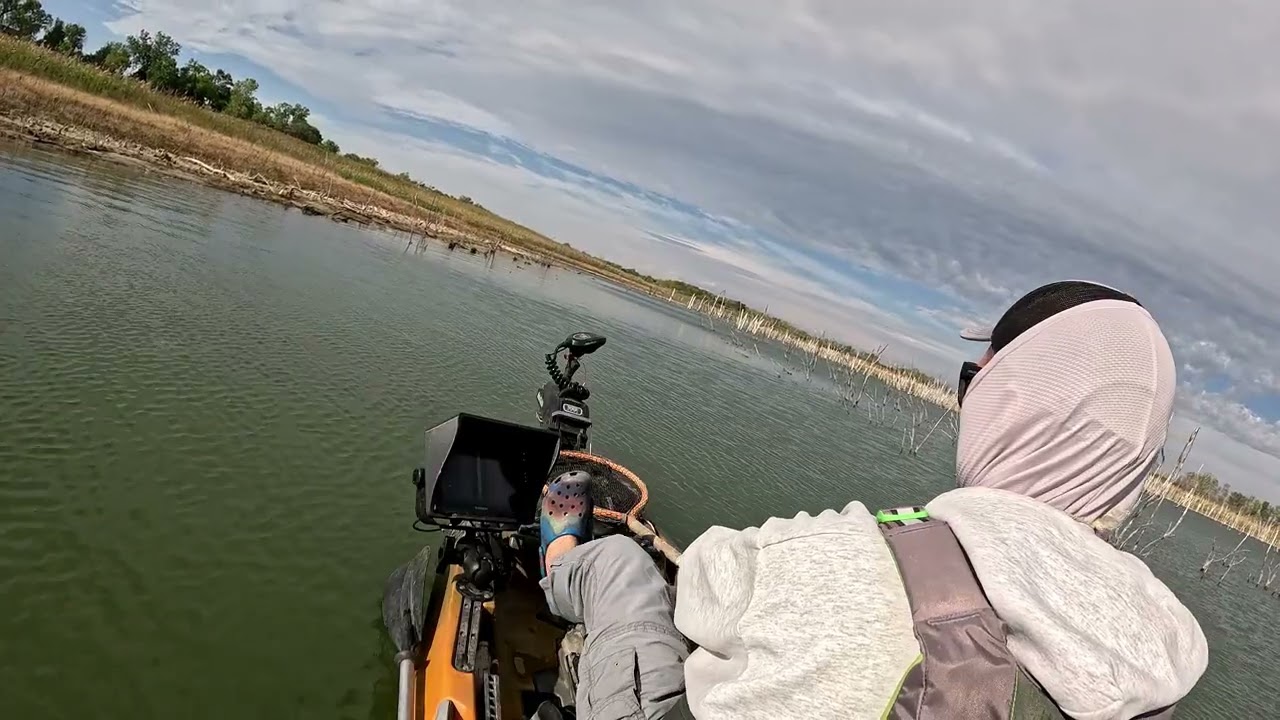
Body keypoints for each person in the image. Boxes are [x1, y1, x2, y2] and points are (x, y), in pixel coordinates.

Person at [535, 280, 1209, 720]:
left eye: (973, 379)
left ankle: (557, 550)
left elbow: (704, 584)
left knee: (620, 565)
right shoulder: (1163, 657)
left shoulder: (836, 556)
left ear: (1005, 401)